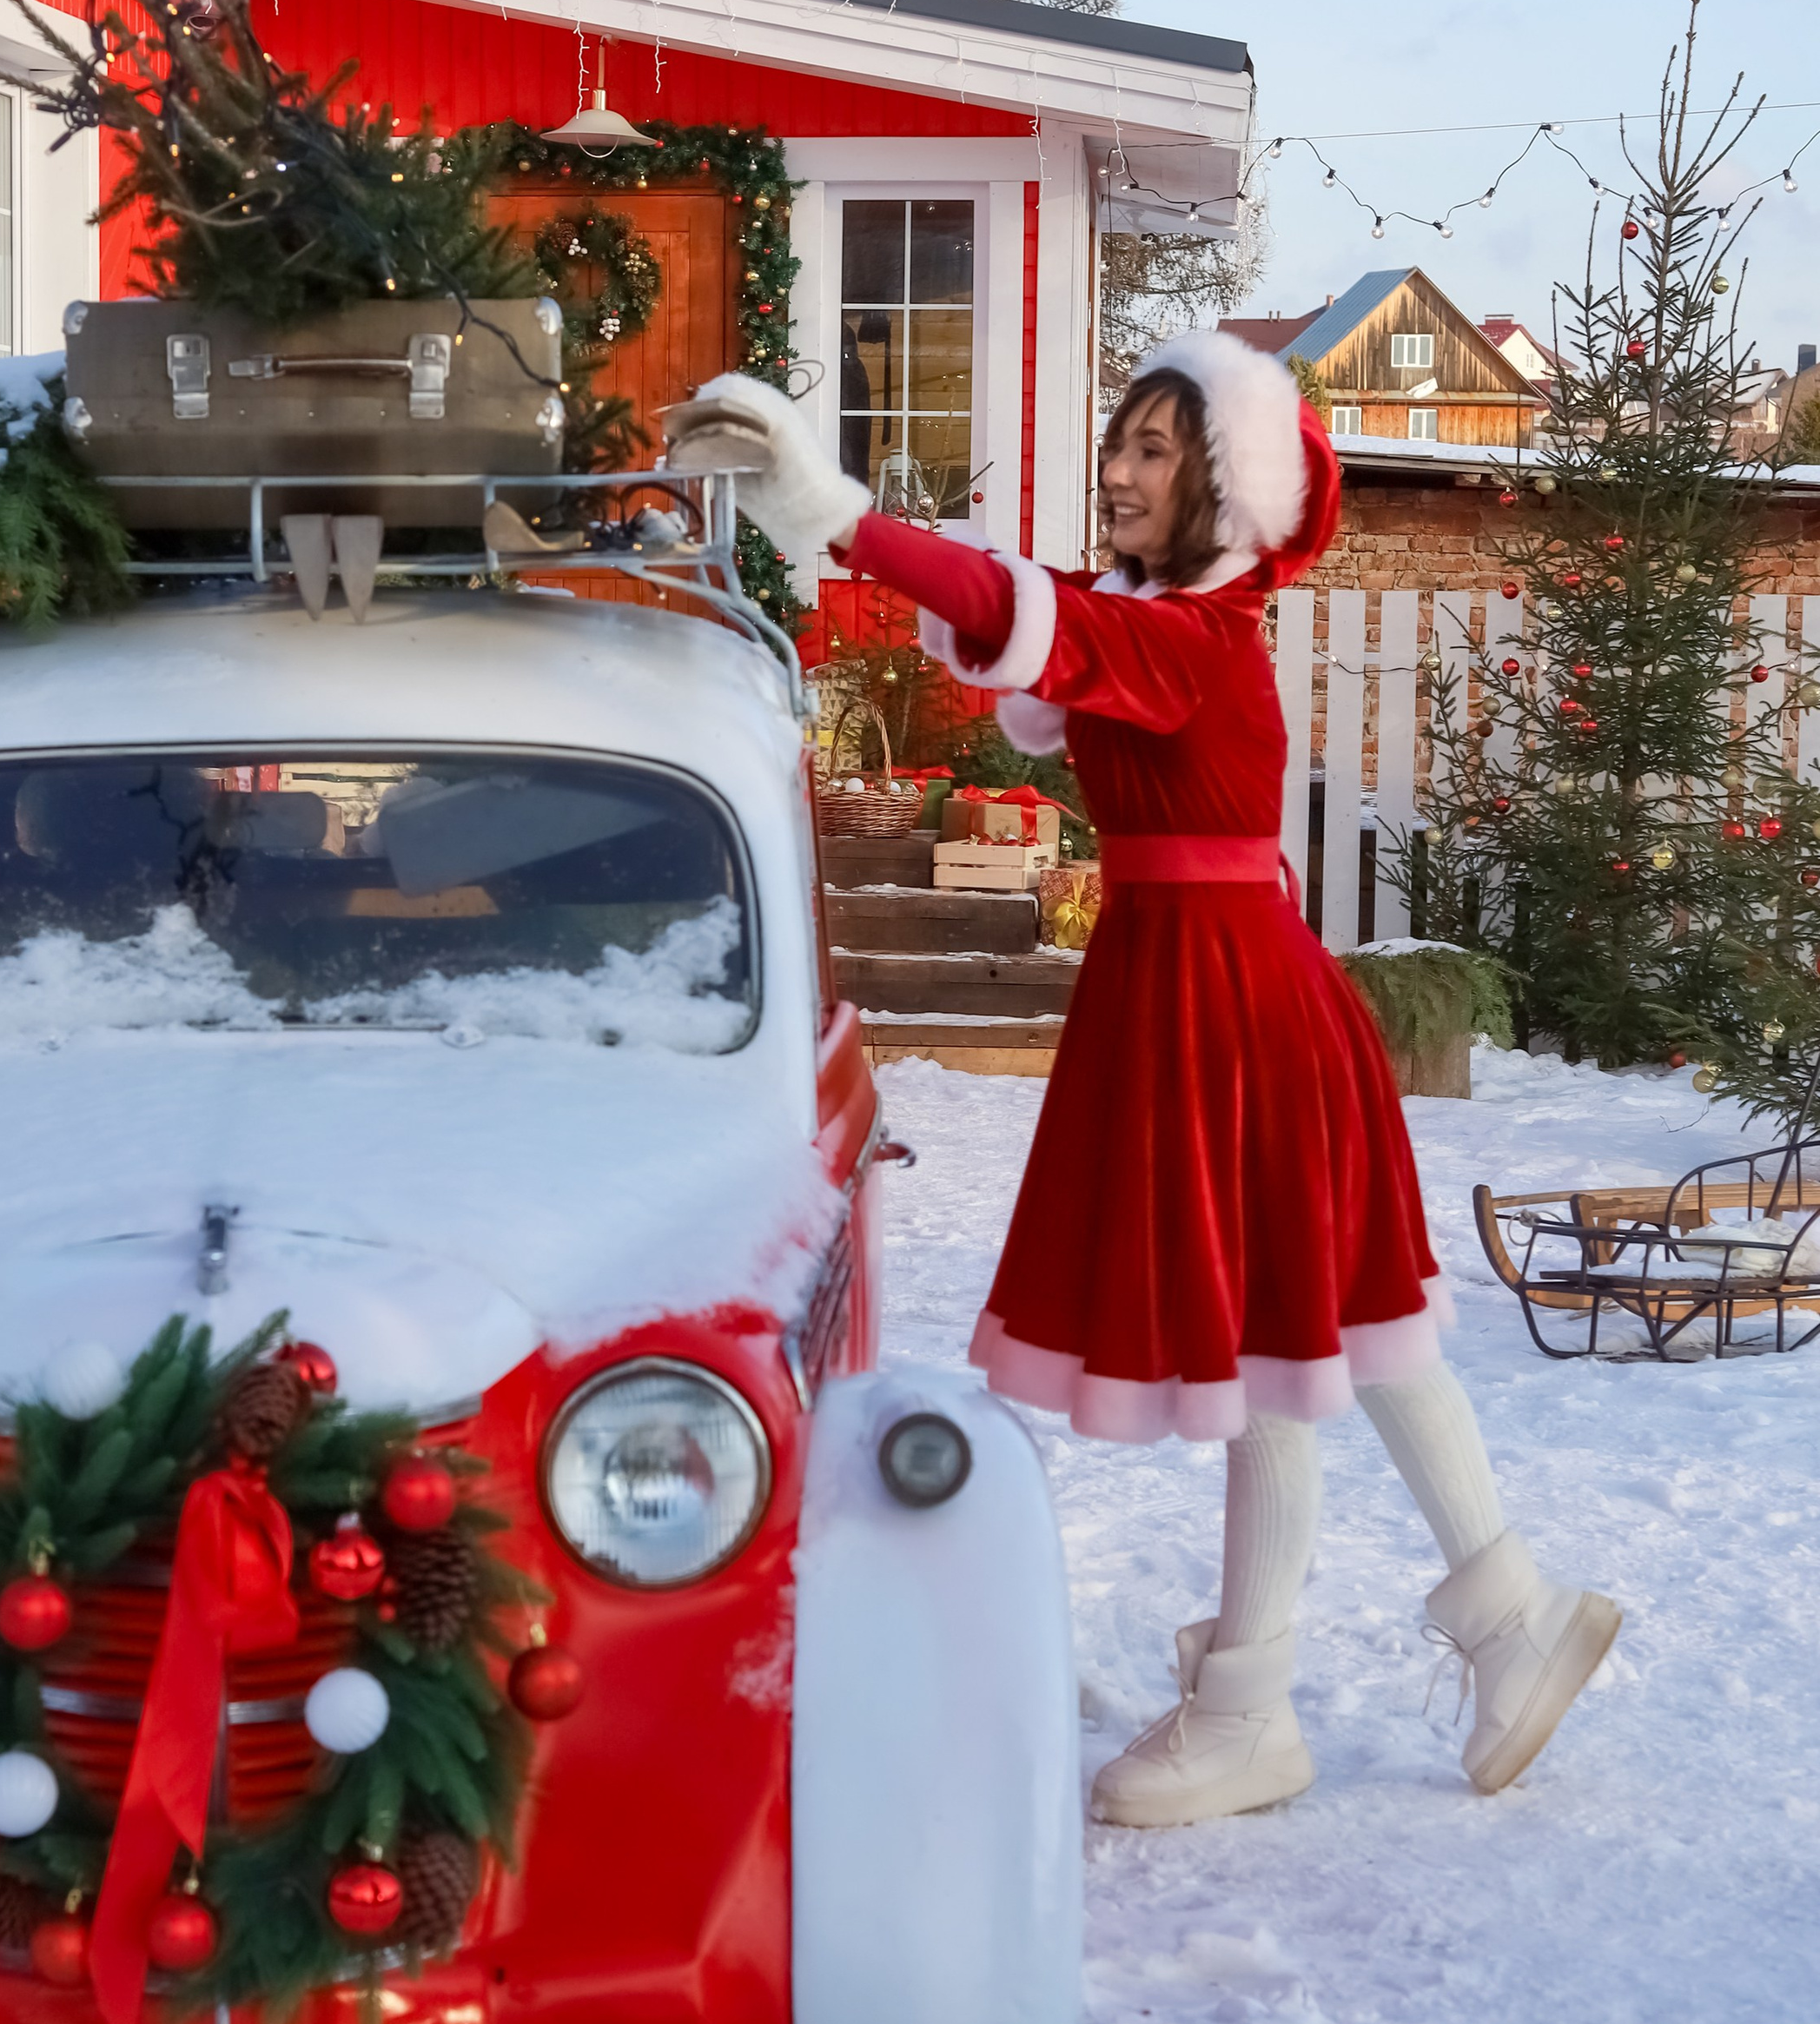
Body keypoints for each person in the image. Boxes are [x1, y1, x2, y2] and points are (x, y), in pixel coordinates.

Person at [666, 334, 1622, 1829]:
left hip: (1229, 997)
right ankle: (1435, 1640)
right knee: (1313, 1323)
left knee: (1305, 1327)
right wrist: (847, 537)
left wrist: (833, 509)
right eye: (1120, 440)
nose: (1119, 468)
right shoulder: (1159, 625)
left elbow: (1002, 606)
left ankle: (1308, 1686)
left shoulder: (1198, 638)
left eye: (1158, 448)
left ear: (1223, 486)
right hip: (1205, 984)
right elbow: (1009, 606)